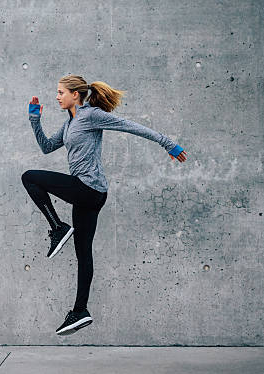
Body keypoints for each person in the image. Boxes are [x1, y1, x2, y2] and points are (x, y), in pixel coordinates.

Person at [21, 75, 188, 336]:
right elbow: (46, 147)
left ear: (75, 94)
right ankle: (80, 311)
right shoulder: (71, 124)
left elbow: (131, 126)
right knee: (83, 253)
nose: (57, 97)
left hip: (87, 189)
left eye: (60, 92)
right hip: (90, 193)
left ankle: (58, 228)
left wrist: (169, 144)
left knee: (29, 177)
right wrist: (34, 119)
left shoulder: (91, 116)